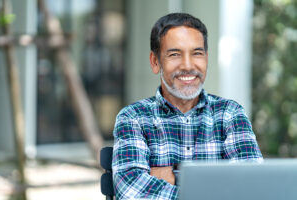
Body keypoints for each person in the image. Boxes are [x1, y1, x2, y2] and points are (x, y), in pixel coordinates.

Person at [112, 13, 263, 200]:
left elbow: (252, 188)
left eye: (197, 53)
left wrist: (174, 174)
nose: (187, 65)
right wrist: (215, 190)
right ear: (155, 61)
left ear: (206, 58)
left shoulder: (230, 114)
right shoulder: (133, 118)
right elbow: (132, 191)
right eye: (175, 54)